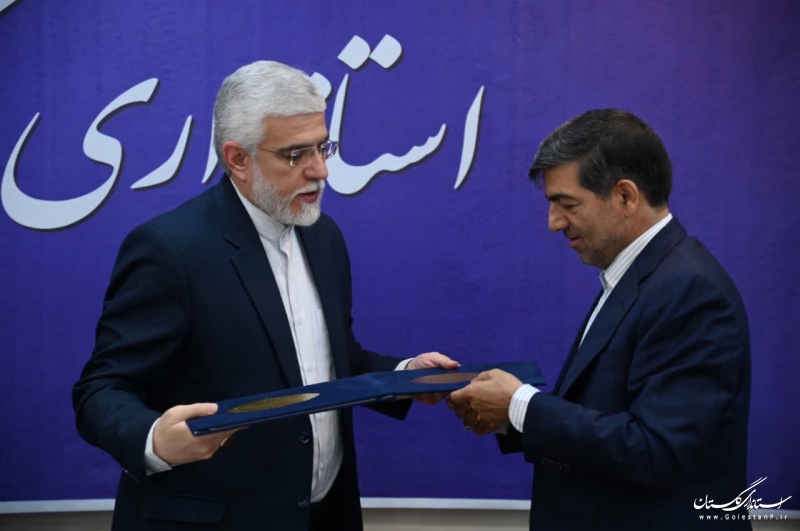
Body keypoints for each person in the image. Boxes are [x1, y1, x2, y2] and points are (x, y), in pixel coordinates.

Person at [72, 60, 456, 531]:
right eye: (296, 155)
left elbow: (325, 359)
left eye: (323, 146)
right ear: (238, 159)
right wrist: (154, 439)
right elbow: (102, 390)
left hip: (324, 517)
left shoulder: (324, 236)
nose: (321, 171)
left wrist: (403, 376)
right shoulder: (170, 249)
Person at [449, 109, 751, 530]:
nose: (553, 223)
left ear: (625, 197)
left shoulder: (691, 292)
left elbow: (656, 451)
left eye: (567, 204)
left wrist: (521, 406)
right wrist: (508, 417)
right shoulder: (642, 275)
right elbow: (603, 415)